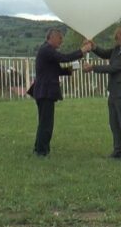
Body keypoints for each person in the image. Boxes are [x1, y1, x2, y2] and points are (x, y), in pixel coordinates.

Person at [30, 29, 91, 158]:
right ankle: (42, 151)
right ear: (52, 37)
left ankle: (40, 148)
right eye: (60, 38)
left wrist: (71, 69)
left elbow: (57, 70)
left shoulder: (47, 51)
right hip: (45, 91)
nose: (61, 41)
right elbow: (64, 58)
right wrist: (82, 50)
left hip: (44, 91)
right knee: (46, 123)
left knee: (44, 122)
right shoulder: (47, 50)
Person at [83, 25, 121, 161]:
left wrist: (93, 67)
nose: (115, 38)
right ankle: (117, 150)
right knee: (114, 122)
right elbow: (105, 53)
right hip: (114, 91)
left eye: (117, 35)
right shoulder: (118, 49)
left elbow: (113, 67)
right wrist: (94, 47)